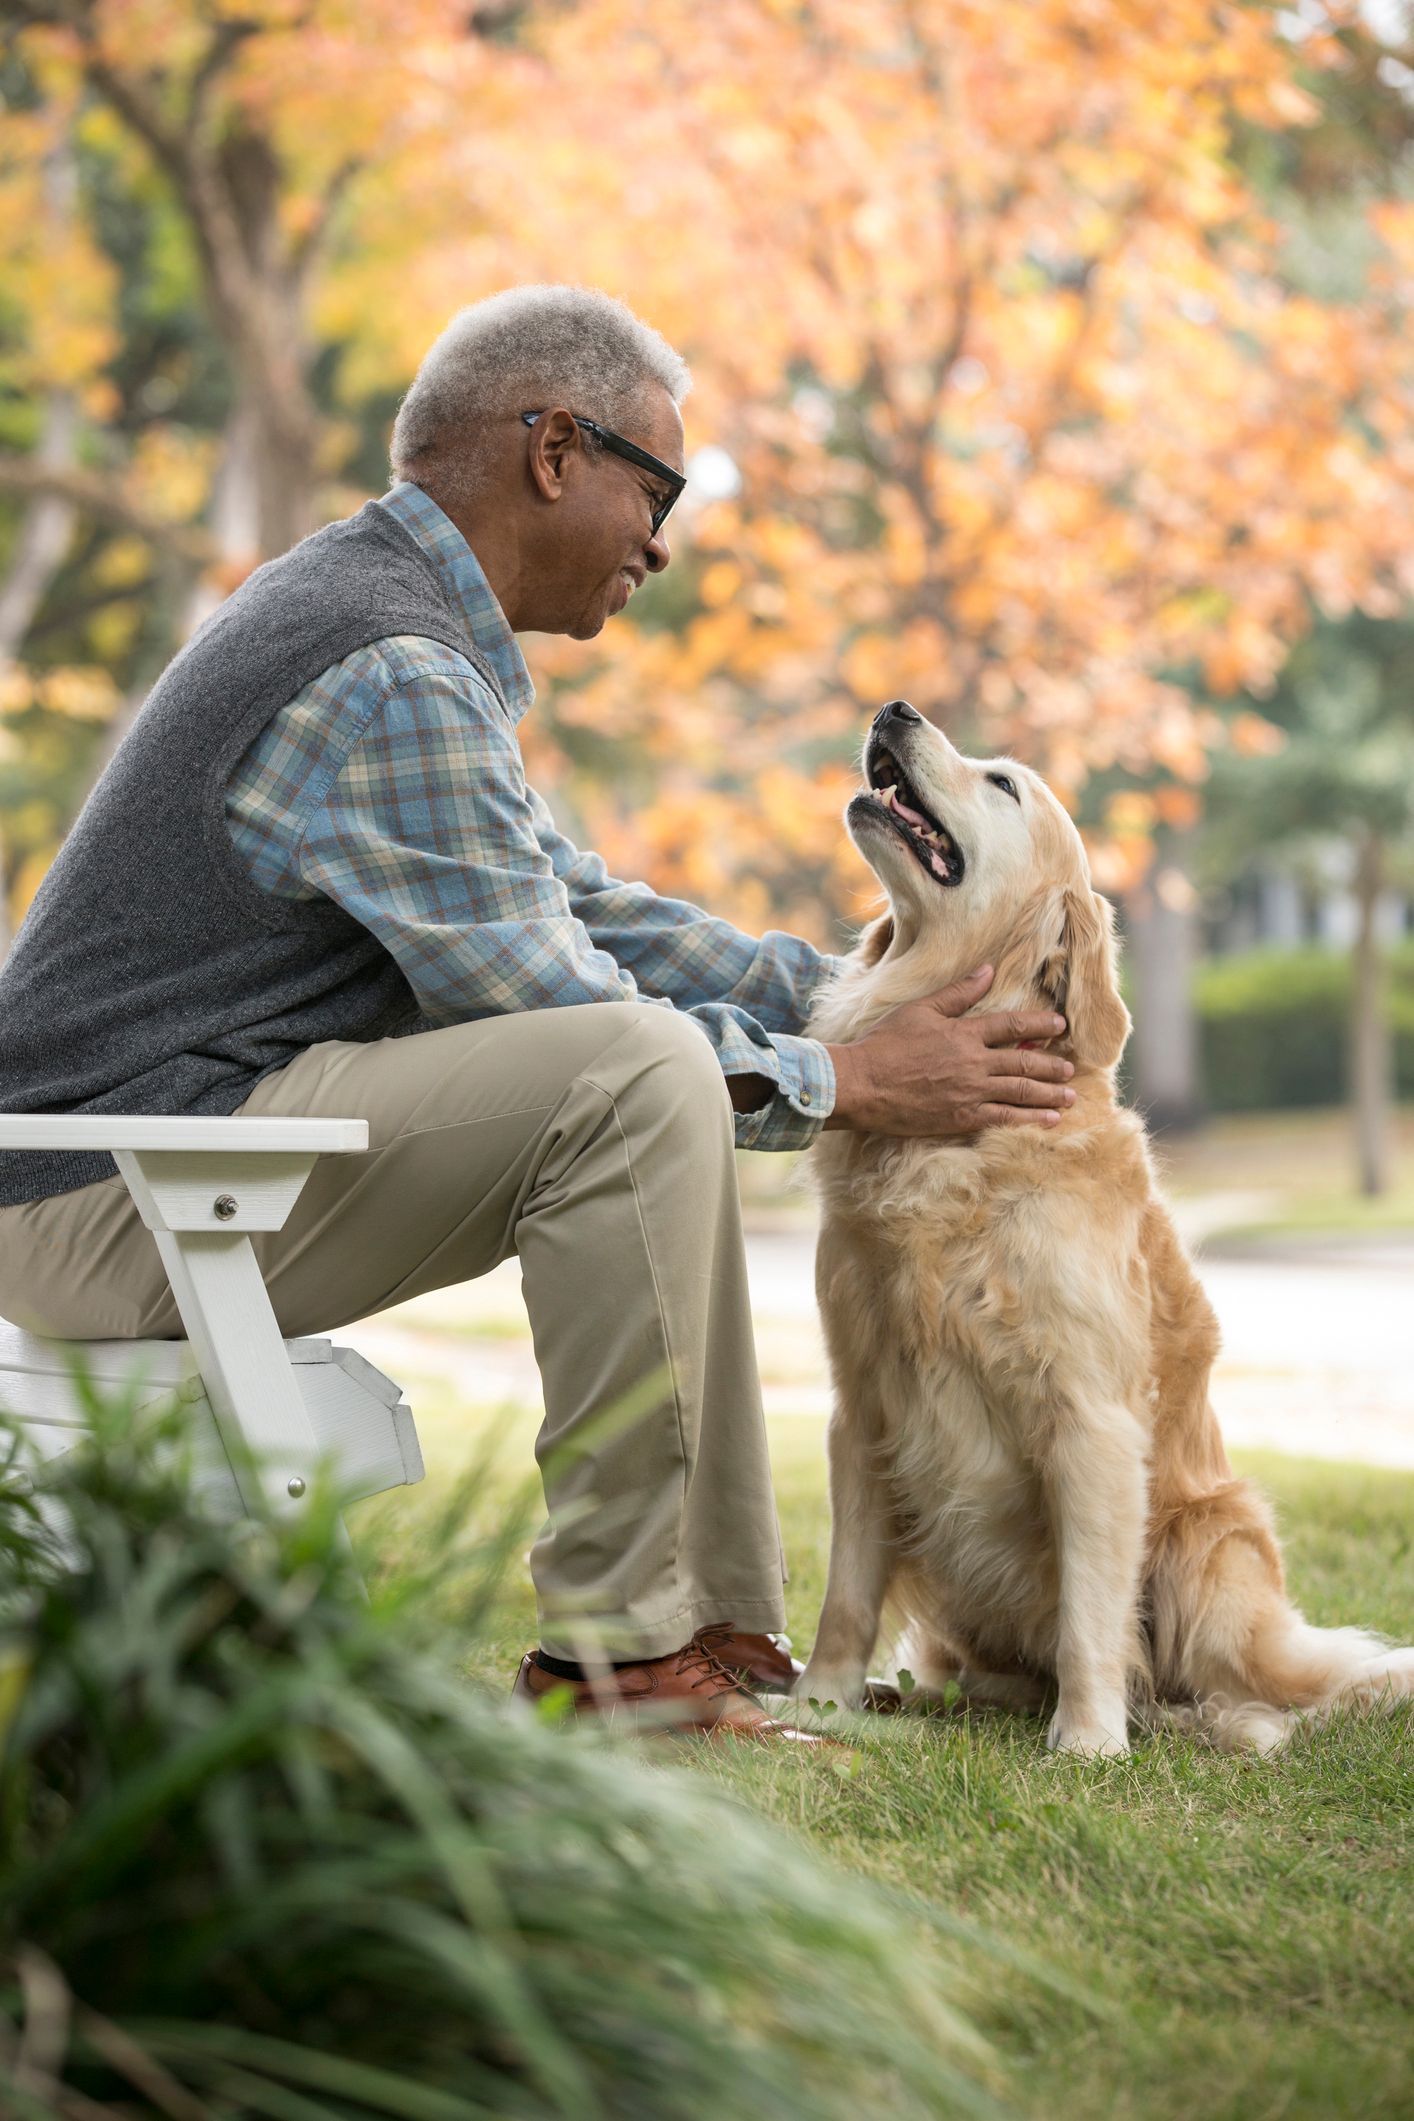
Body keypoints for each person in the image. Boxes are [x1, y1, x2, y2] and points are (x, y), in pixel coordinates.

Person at [0, 286, 1074, 1741]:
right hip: (113, 1190)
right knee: (629, 1073)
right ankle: (624, 1657)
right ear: (556, 448)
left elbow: (582, 906)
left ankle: (694, 1633)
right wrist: (848, 1072)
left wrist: (856, 985)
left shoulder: (376, 617)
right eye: (659, 485)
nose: (663, 540)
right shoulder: (388, 665)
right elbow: (565, 1003)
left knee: (638, 1060)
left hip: (150, 1160)